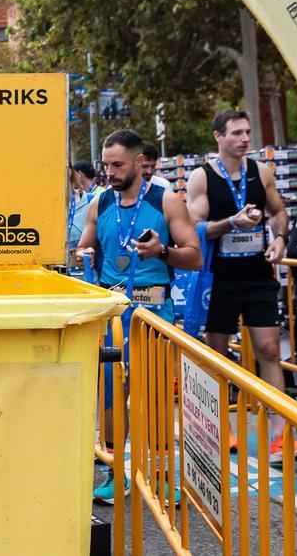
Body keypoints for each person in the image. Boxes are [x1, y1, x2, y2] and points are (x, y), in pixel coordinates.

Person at [76, 129, 201, 503]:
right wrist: (81, 254)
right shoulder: (100, 202)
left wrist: (162, 252)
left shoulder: (166, 201)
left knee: (156, 397)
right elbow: (82, 246)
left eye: (118, 165)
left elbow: (194, 256)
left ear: (138, 162)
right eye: (106, 165)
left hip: (154, 314)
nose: (110, 172)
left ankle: (162, 475)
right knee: (112, 396)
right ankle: (117, 474)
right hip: (114, 315)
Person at [186, 110, 297, 461]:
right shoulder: (202, 176)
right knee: (218, 355)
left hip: (257, 275)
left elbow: (279, 211)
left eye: (247, 132)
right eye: (236, 132)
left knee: (270, 351)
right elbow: (197, 229)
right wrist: (230, 223)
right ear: (218, 136)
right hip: (218, 278)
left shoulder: (261, 172)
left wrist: (281, 239)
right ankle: (220, 429)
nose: (244, 138)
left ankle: (280, 437)